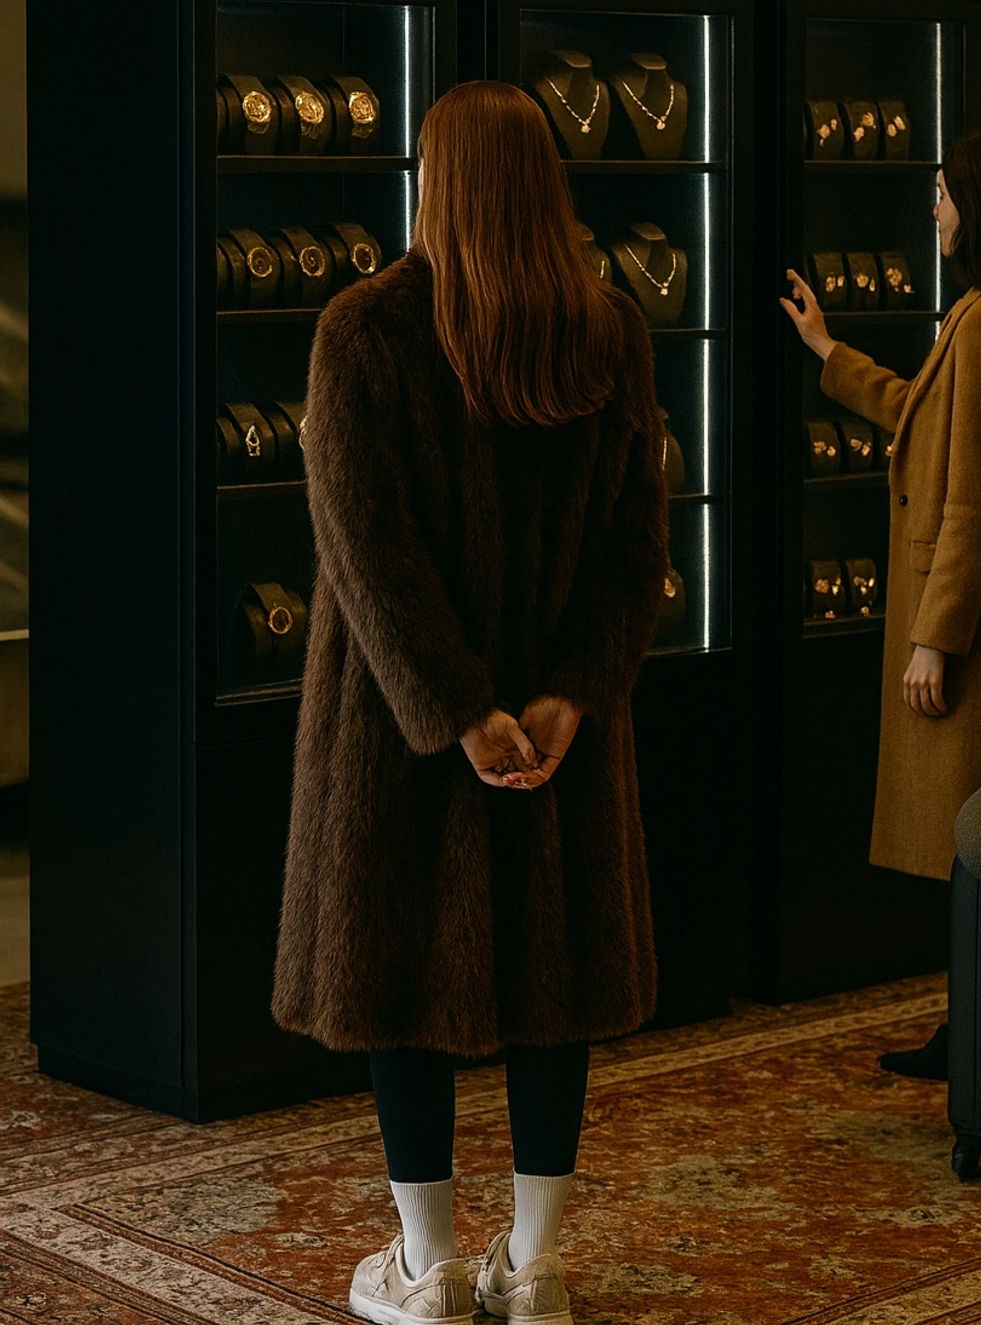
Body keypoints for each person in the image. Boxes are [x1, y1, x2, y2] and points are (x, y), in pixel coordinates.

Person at [270, 80, 671, 1325]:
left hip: (401, 732)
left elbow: (361, 548)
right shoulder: (607, 331)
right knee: (556, 975)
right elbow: (635, 547)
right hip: (560, 727)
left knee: (403, 973)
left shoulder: (363, 326)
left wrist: (454, 711)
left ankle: (428, 1267)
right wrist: (564, 698)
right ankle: (536, 1267)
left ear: (435, 179)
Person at [780, 129, 981, 1079]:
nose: (934, 209)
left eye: (945, 194)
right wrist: (829, 350)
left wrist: (934, 638)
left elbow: (977, 496)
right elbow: (929, 412)